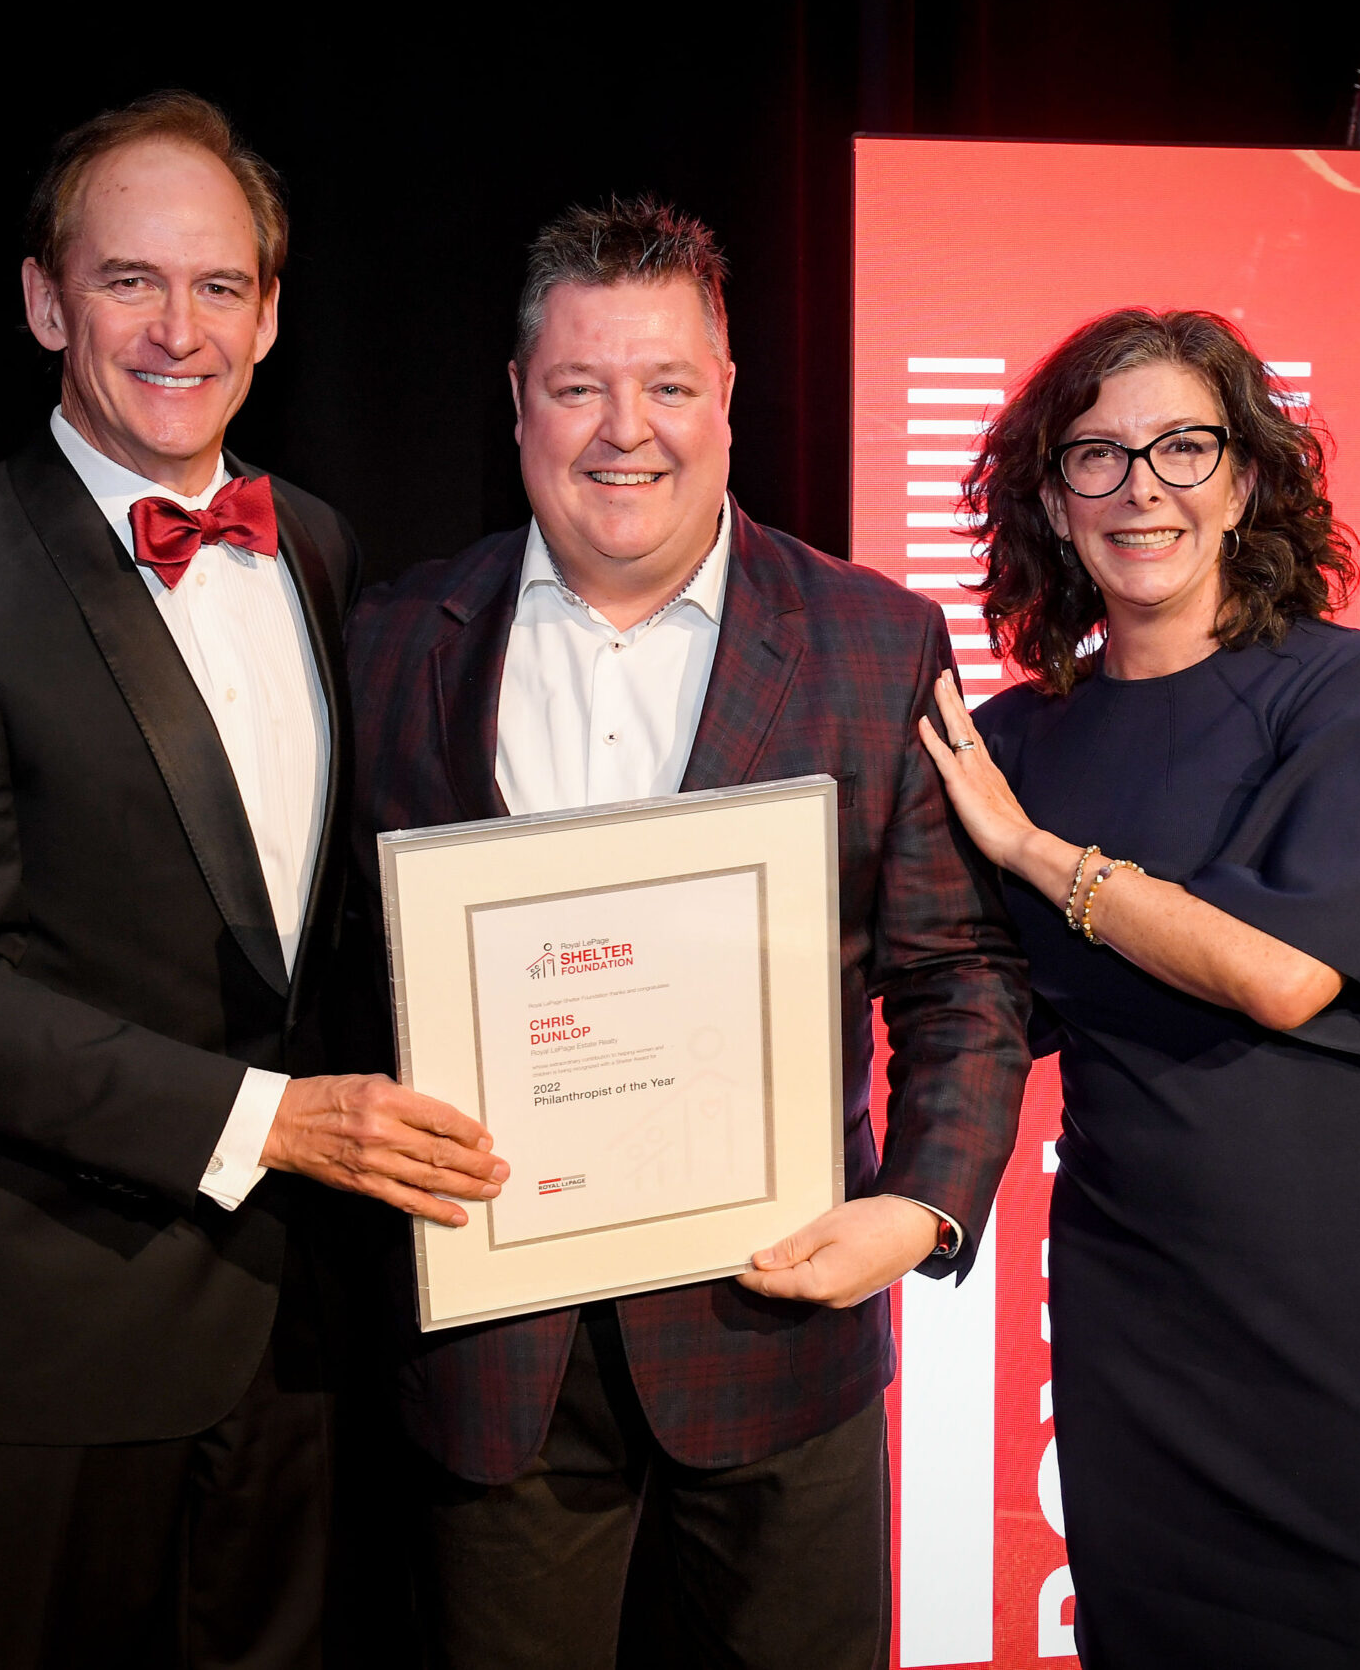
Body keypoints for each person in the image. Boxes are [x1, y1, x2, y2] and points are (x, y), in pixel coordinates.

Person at [0, 91, 506, 1670]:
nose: (176, 328)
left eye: (217, 287)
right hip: (48, 1357)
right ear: (47, 301)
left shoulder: (317, 544)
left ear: (270, 315)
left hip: (302, 1342)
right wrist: (273, 1122)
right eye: (129, 281)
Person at [345, 198, 1030, 1669]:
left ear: (726, 397)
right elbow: (343, 969)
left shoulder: (874, 640)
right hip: (490, 1358)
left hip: (777, 1340)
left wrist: (919, 1210)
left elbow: (959, 974)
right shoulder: (395, 639)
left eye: (666, 385)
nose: (623, 431)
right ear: (519, 403)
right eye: (580, 385)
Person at [921, 307, 1360, 1670]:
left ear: (1247, 479)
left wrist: (1040, 857)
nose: (1141, 486)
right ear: (1051, 497)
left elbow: (1280, 975)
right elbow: (944, 994)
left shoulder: (1351, 690)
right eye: (1097, 455)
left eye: (1182, 446)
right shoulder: (1010, 742)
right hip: (1140, 1312)